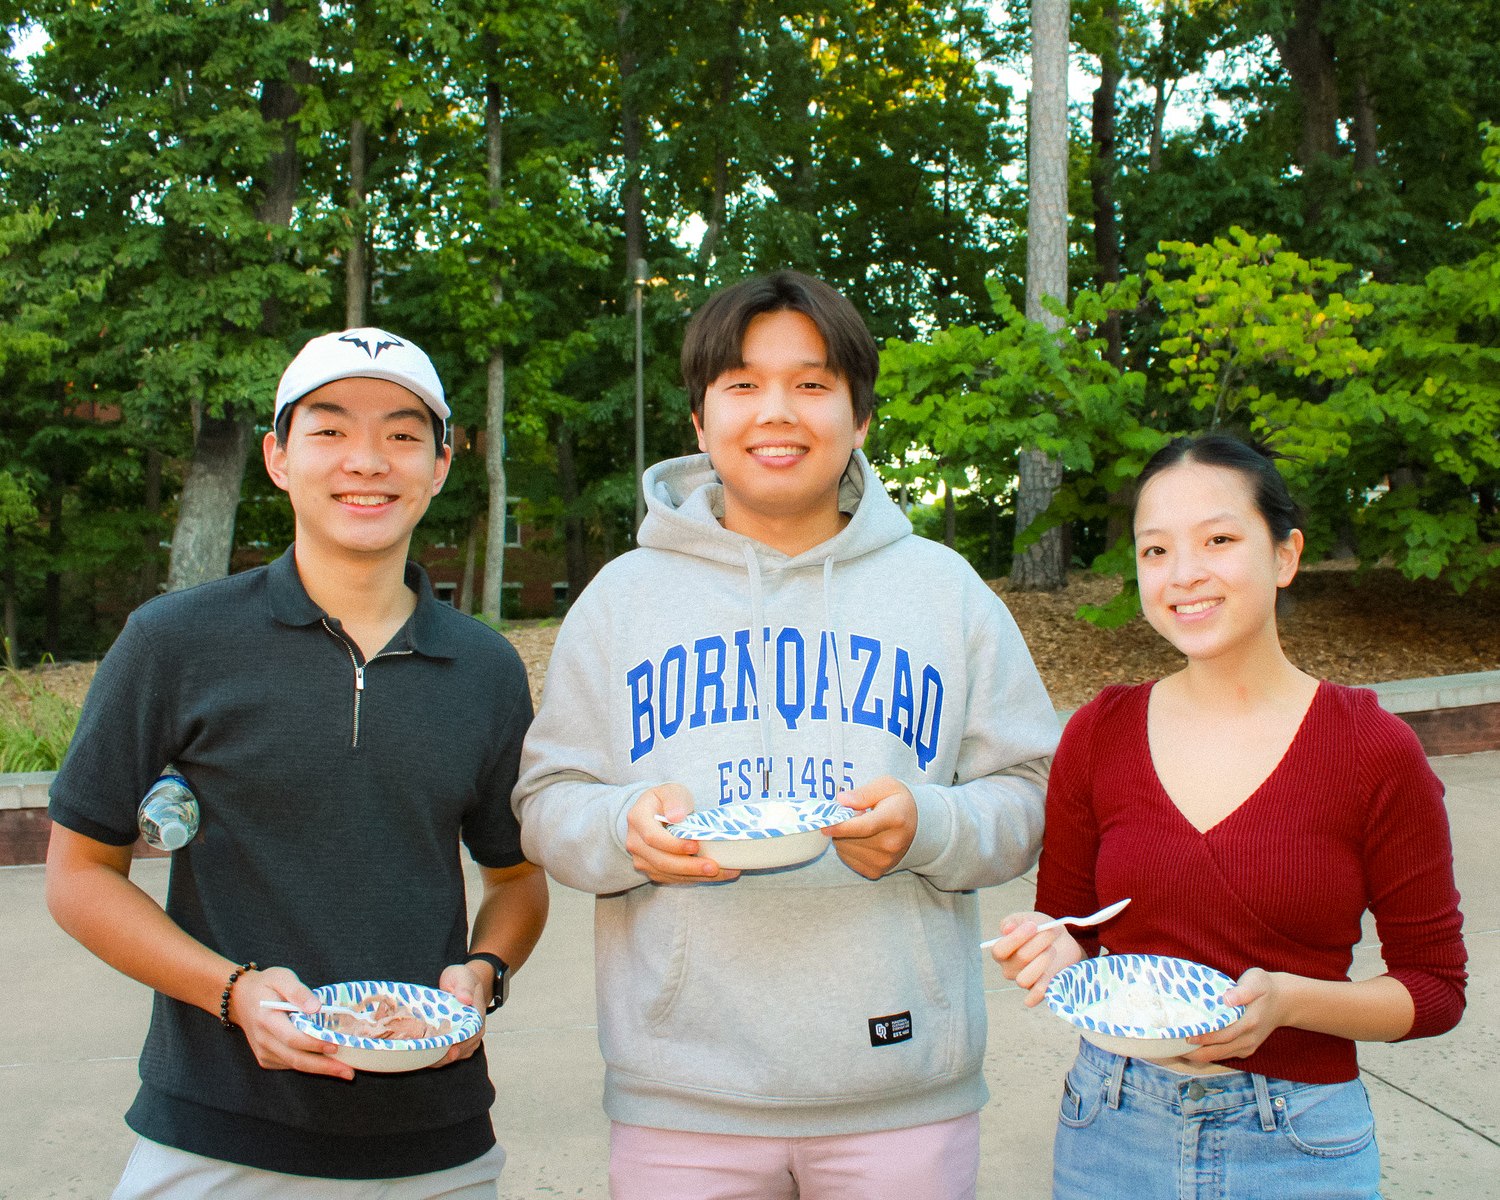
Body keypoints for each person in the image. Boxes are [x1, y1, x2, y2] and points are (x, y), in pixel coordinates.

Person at [514, 270, 1059, 1199]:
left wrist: (927, 826)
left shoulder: (943, 590)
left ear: (859, 418)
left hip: (902, 1092)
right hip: (681, 1098)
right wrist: (622, 831)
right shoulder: (621, 599)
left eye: (811, 384)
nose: (777, 413)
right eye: (741, 384)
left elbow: (1033, 792)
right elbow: (546, 802)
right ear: (698, 421)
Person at [45, 327, 549, 1198]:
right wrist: (232, 992)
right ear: (278, 459)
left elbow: (516, 881)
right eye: (329, 430)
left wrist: (485, 972)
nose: (367, 460)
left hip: (439, 1147)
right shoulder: (173, 641)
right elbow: (79, 874)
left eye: (401, 433)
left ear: (441, 464)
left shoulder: (485, 669)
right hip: (216, 1135)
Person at [990, 432, 1467, 1199]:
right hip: (1111, 1128)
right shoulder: (1099, 734)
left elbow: (1435, 989)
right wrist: (1051, 953)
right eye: (1154, 551)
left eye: (1218, 539)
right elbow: (1073, 935)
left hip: (1299, 1140)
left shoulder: (1374, 749)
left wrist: (1288, 1004)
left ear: (1284, 555)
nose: (1184, 575)